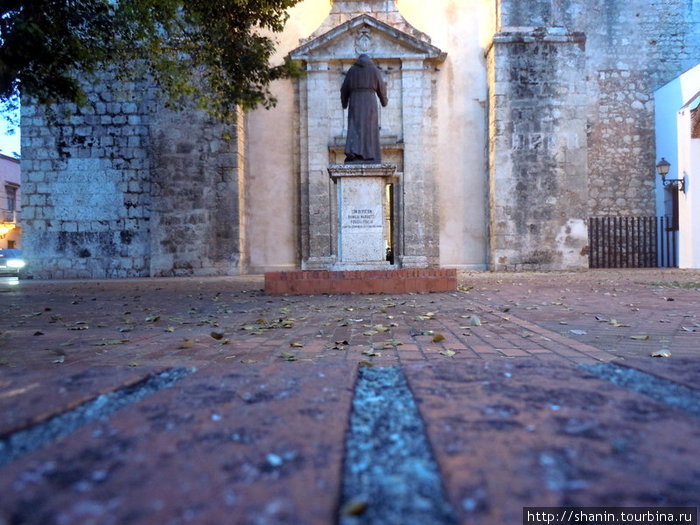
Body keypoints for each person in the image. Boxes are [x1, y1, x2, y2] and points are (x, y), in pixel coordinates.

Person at [341, 54, 388, 164]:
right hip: (370, 102)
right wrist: (384, 100)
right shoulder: (374, 71)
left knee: (354, 127)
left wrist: (344, 103)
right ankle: (370, 154)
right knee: (369, 128)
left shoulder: (352, 71)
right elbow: (382, 87)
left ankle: (354, 151)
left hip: (355, 102)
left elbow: (344, 89)